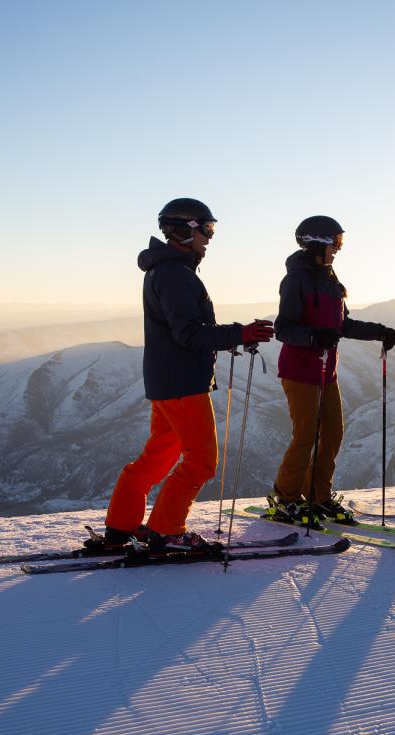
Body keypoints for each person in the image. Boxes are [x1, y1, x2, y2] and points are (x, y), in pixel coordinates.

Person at [104, 198, 274, 552]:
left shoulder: (167, 270)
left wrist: (234, 336)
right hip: (182, 384)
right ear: (185, 231)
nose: (210, 238)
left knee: (158, 458)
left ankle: (121, 525)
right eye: (207, 230)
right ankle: (167, 532)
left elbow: (184, 332)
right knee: (201, 461)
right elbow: (189, 334)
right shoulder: (175, 275)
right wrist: (239, 334)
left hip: (166, 382)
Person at [265, 215, 395, 528]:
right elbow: (283, 328)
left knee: (333, 433)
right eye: (336, 242)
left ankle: (318, 496)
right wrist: (313, 336)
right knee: (306, 434)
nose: (338, 249)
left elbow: (342, 325)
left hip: (327, 370)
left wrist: (380, 331)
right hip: (300, 370)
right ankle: (285, 500)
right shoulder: (297, 279)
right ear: (318, 243)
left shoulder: (329, 279)